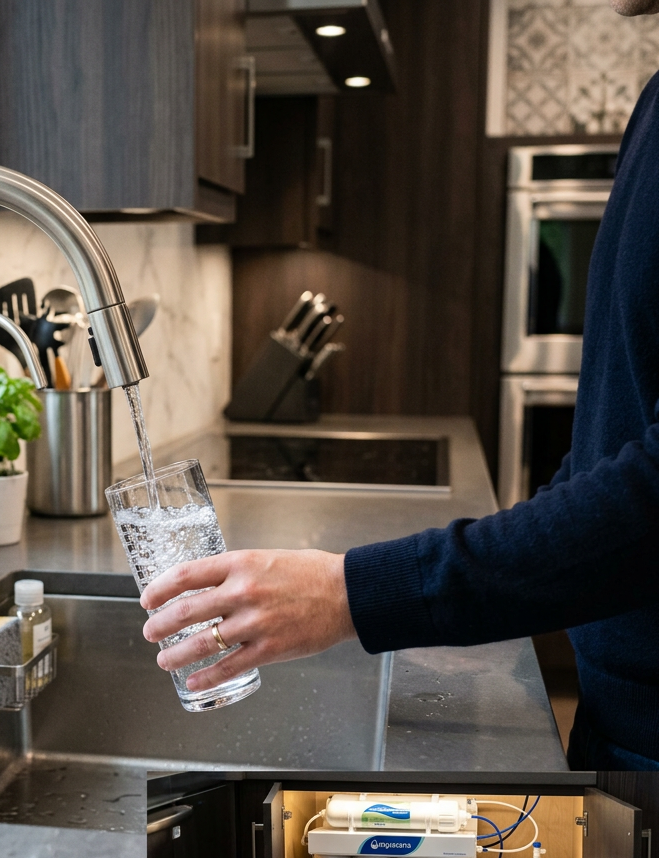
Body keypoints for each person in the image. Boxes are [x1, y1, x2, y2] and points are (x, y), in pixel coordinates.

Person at [140, 0, 659, 770]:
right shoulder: (654, 103)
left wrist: (357, 593)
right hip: (625, 714)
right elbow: (610, 452)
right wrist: (470, 601)